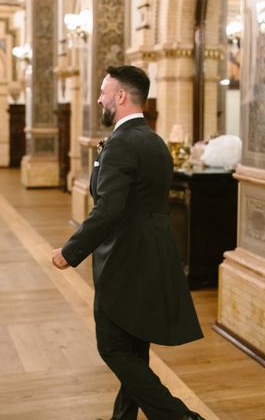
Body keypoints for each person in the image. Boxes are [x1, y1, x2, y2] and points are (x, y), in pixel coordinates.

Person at [52, 65, 205, 420]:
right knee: (134, 350)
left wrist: (69, 252)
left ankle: (180, 417)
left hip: (125, 262)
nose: (100, 98)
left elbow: (108, 210)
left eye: (104, 91)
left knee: (113, 348)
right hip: (155, 258)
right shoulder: (154, 140)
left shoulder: (121, 144)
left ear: (121, 96)